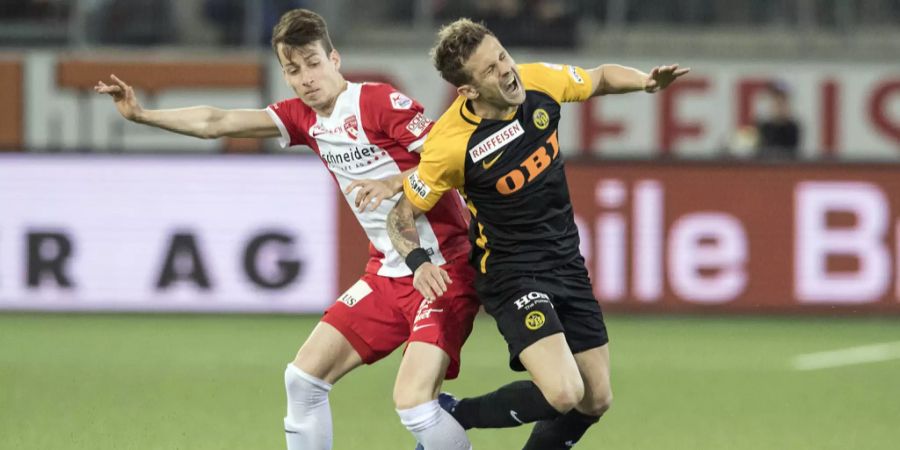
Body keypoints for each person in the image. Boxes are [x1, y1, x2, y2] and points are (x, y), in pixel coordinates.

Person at [94, 9, 479, 450]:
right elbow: (217, 122)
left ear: (334, 59)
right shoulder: (302, 118)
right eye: (293, 70)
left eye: (313, 63)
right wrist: (142, 114)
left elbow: (451, 156)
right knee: (302, 379)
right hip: (388, 275)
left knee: (414, 405)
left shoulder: (377, 102)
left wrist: (395, 183)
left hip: (442, 269)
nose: (306, 79)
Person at [386, 19, 688, 449]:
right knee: (564, 392)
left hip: (567, 261)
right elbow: (401, 214)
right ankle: (456, 413)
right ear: (468, 90)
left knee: (596, 399)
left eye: (502, 56)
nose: (508, 70)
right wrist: (416, 262)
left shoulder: (539, 82)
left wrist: (645, 83)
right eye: (490, 70)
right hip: (512, 272)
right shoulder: (450, 144)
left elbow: (599, 78)